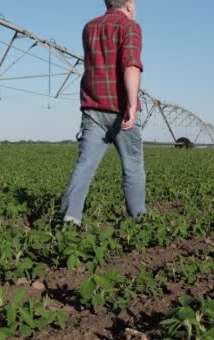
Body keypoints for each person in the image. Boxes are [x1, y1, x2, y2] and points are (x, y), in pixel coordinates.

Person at [61, 0, 146, 226]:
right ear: (129, 4)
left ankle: (70, 218)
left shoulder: (90, 27)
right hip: (119, 109)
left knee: (84, 165)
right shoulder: (130, 27)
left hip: (92, 108)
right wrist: (130, 105)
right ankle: (138, 221)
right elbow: (131, 65)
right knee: (133, 167)